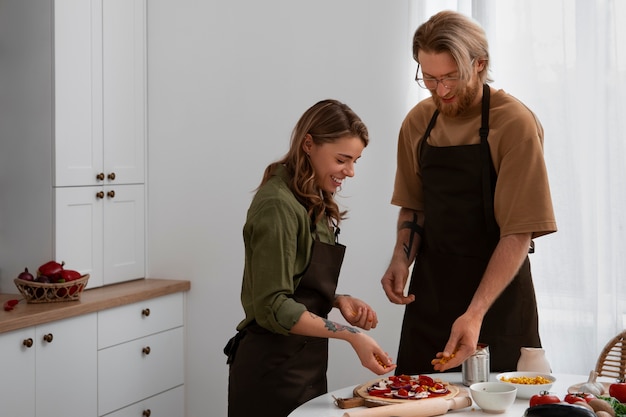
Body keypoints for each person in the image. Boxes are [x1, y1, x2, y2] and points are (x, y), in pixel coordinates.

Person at [381, 10, 557, 375]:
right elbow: (414, 207)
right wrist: (401, 259)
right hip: (430, 296)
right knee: (413, 403)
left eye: (450, 77)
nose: (440, 90)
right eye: (429, 78)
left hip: (499, 303)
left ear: (480, 64)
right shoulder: (418, 121)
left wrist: (475, 313)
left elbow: (517, 232)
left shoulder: (514, 124)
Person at [225, 99, 396, 417]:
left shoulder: (311, 198)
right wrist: (352, 334)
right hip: (270, 376)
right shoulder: (277, 205)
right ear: (308, 144)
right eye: (342, 159)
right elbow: (273, 304)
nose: (351, 172)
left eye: (355, 160)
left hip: (306, 368)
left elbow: (295, 282)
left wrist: (336, 299)